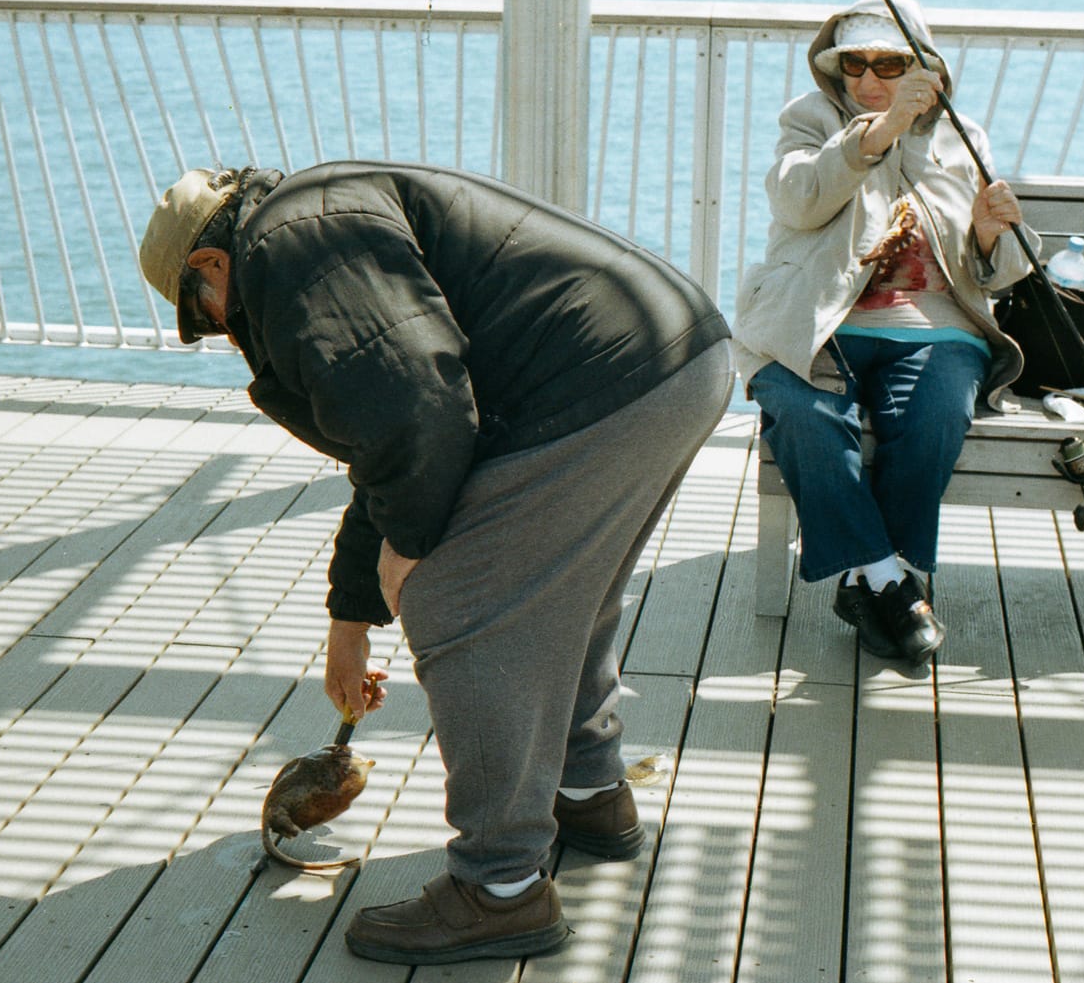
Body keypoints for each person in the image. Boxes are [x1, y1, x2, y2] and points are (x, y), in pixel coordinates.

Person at [139, 159, 733, 964]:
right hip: (674, 355)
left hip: (601, 380)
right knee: (567, 590)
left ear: (209, 267)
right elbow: (386, 443)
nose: (218, 330)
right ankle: (588, 789)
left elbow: (418, 409)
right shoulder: (316, 217)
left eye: (203, 316)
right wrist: (349, 618)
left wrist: (411, 551)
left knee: (462, 602)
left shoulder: (284, 254)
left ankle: (499, 889)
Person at [731, 0, 1038, 668]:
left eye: (889, 64)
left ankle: (867, 579)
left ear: (925, 68)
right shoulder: (810, 120)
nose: (868, 80)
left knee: (934, 417)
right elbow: (798, 197)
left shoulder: (961, 136)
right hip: (816, 318)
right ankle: (887, 577)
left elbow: (1000, 274)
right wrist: (877, 132)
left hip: (935, 327)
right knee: (805, 415)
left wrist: (991, 234)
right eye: (854, 64)